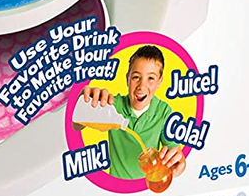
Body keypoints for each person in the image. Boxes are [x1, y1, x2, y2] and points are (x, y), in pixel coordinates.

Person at [76, 45, 187, 182]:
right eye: (136, 77)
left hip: (146, 186)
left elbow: (174, 153)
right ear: (127, 79)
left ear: (159, 82)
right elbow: (76, 124)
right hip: (115, 185)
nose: (141, 86)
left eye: (150, 78)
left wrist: (179, 163)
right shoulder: (113, 105)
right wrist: (82, 101)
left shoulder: (164, 112)